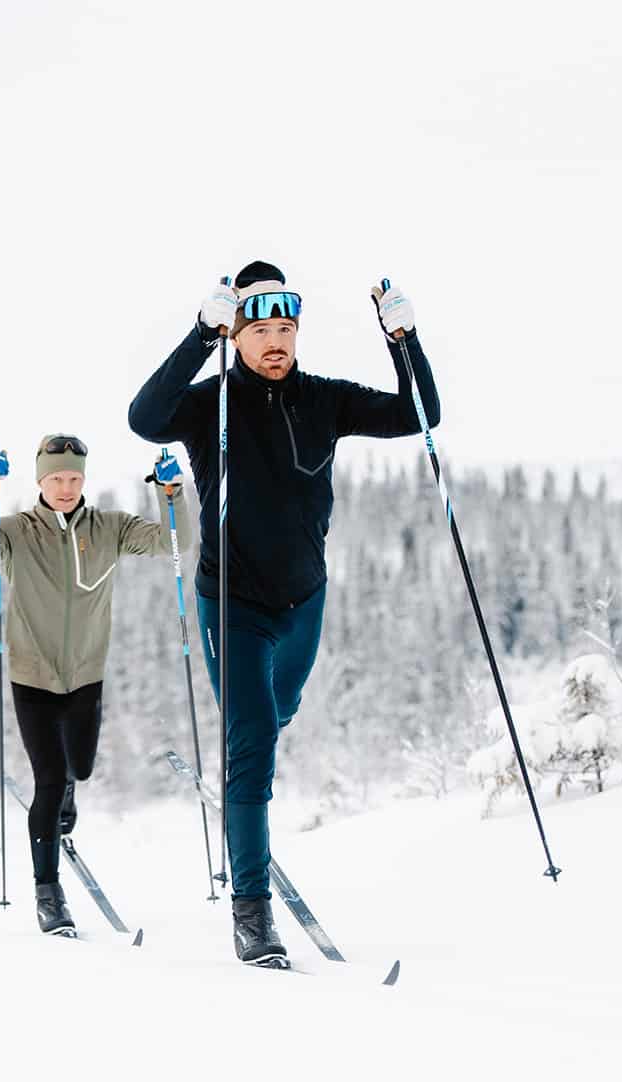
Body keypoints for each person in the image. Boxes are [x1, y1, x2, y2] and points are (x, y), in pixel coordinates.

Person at [126, 262, 441, 966]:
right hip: (230, 602)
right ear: (236, 335)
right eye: (261, 330)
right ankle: (251, 913)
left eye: (286, 330)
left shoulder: (324, 400)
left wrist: (404, 341)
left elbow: (421, 415)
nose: (276, 342)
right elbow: (144, 419)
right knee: (254, 743)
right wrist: (196, 334)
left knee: (278, 710)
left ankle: (247, 774)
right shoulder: (208, 406)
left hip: (305, 600)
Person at [0, 434, 194, 935]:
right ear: (40, 480)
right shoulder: (16, 532)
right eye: (56, 478)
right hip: (32, 674)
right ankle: (48, 892)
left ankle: (67, 794)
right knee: (51, 777)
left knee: (78, 769)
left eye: (74, 477)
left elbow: (175, 541)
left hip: (86, 673)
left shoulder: (109, 528)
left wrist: (172, 496)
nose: (65, 486)